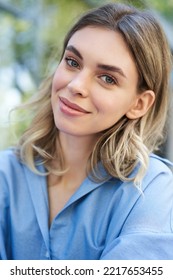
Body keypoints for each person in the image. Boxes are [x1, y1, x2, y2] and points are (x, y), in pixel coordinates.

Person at [0, 2, 173, 260]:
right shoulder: (7, 173)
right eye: (72, 62)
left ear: (139, 104)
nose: (76, 85)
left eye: (107, 78)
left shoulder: (151, 189)